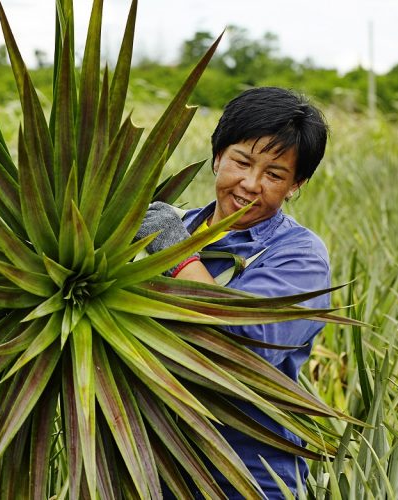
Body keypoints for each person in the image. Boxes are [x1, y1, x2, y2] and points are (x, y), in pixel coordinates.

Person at [136, 86, 330, 498]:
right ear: (218, 155)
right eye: (242, 162)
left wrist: (175, 253)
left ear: (296, 184)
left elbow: (241, 352)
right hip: (144, 468)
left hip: (244, 478)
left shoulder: (299, 257)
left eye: (275, 174)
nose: (251, 184)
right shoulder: (170, 226)